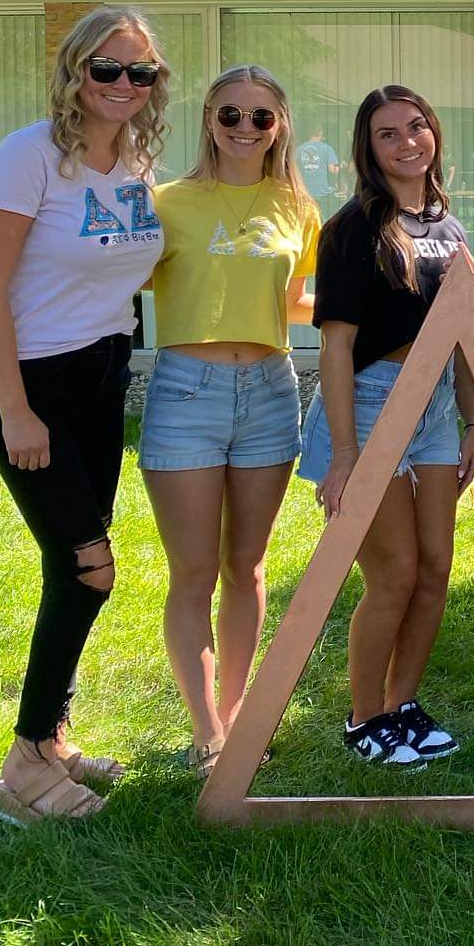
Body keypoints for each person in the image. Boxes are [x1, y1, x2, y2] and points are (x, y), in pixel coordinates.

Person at [0, 6, 167, 824]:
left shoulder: (134, 162)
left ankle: (52, 739)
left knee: (70, 567)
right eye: (107, 69)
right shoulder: (29, 157)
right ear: (75, 71)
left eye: (140, 73)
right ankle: (22, 773)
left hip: (100, 376)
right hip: (32, 386)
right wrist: (15, 411)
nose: (123, 85)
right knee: (91, 567)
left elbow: (125, 271)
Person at [140, 65, 319, 775]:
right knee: (193, 571)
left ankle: (240, 720)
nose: (245, 129)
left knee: (243, 567)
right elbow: (115, 280)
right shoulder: (166, 201)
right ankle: (205, 730)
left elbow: (297, 302)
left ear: (280, 128)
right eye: (230, 115)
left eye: (261, 118)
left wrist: (384, 303)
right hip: (186, 389)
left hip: (272, 389)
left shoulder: (297, 205)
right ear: (208, 119)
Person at [300, 87, 474, 767]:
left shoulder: (450, 228)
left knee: (436, 569)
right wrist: (346, 454)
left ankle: (403, 707)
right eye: (387, 134)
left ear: (434, 132)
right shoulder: (353, 228)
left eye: (416, 127)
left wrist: (471, 421)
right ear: (368, 149)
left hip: (434, 408)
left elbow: (464, 336)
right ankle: (363, 717)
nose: (407, 141)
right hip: (371, 404)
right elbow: (337, 347)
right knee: (395, 575)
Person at [297, 125, 341, 211]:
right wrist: (340, 167)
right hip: (324, 195)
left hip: (306, 195)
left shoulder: (299, 150)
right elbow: (333, 170)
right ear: (320, 133)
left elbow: (295, 172)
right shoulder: (327, 149)